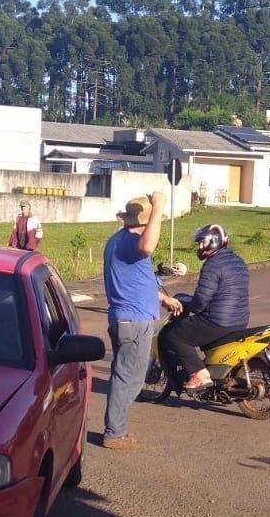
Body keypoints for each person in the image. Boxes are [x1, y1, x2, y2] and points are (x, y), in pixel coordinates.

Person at [101, 192, 180, 450]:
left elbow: (132, 280)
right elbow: (148, 246)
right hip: (133, 321)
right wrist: (158, 207)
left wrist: (161, 297)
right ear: (145, 223)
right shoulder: (133, 243)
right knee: (129, 379)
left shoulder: (118, 241)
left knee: (124, 375)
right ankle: (115, 433)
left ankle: (117, 429)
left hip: (127, 318)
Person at [162, 224, 249, 389]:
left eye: (202, 242)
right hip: (239, 320)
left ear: (214, 242)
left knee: (174, 335)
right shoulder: (238, 261)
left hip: (217, 321)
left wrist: (190, 308)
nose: (200, 247)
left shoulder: (213, 264)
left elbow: (201, 299)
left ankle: (199, 374)